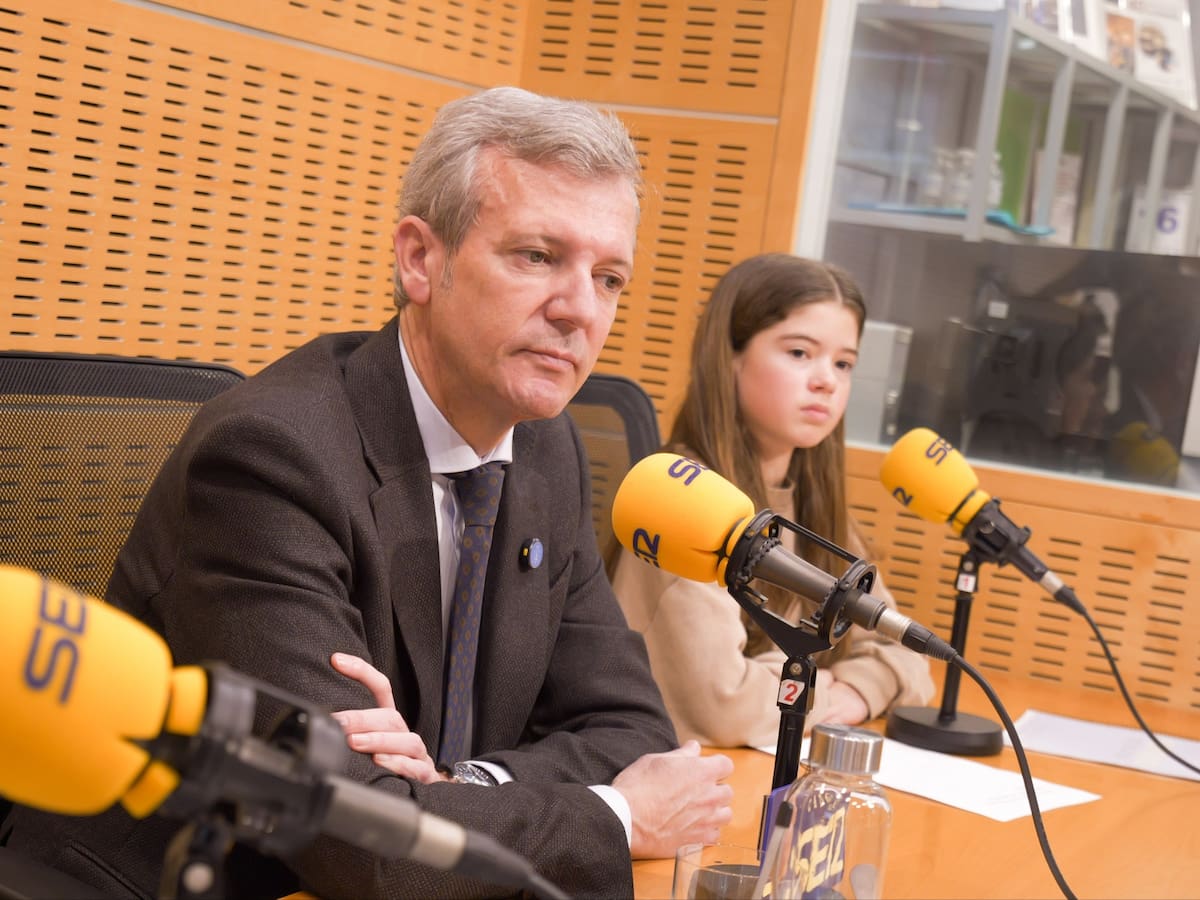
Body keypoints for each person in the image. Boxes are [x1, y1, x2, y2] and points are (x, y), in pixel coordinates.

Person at [4, 86, 733, 899]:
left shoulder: (545, 448)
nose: (579, 311)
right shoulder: (273, 455)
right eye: (537, 257)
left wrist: (459, 786)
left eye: (608, 278)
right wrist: (616, 815)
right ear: (420, 259)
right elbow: (360, 841)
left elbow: (632, 730)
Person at [611, 253, 935, 749]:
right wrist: (822, 688)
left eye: (843, 363)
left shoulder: (811, 503)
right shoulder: (683, 503)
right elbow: (724, 707)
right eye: (800, 353)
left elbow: (908, 652)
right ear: (731, 357)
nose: (827, 380)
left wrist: (855, 689)